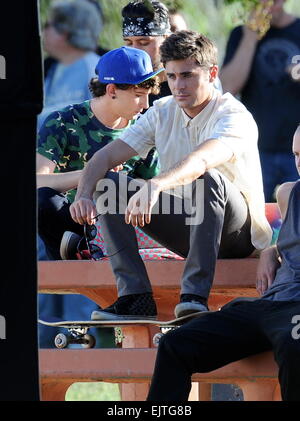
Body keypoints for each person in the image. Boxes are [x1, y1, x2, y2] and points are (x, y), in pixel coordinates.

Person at [69, 30, 272, 322]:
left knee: (209, 178)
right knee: (106, 185)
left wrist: (156, 185)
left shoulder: (233, 114)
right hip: (189, 227)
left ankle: (193, 298)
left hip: (237, 235)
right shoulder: (163, 110)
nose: (179, 85)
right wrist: (84, 195)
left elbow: (201, 161)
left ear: (212, 73)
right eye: (172, 76)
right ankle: (134, 298)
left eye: (188, 75)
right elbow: (105, 157)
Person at [146, 124, 300, 401]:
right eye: (297, 155)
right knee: (175, 344)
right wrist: (272, 250)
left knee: (295, 346)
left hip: (296, 313)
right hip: (270, 305)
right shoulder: (290, 193)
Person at [37, 46, 162, 261]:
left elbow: (152, 186)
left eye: (148, 96)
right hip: (73, 225)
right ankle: (82, 250)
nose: (145, 104)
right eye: (139, 95)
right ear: (112, 90)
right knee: (43, 201)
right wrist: (93, 174)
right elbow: (37, 181)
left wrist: (118, 183)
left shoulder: (144, 129)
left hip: (125, 223)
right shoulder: (63, 121)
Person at [220, 0, 300, 202]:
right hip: (255, 150)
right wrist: (250, 37)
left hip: (296, 150)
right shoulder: (241, 34)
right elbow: (227, 88)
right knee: (253, 223)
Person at [122, 0, 222, 107]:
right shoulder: (117, 80)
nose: (135, 50)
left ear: (166, 39)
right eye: (129, 43)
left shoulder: (202, 77)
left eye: (144, 43)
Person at [37, 0, 103, 130]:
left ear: (65, 31)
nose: (43, 32)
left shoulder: (95, 67)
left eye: (48, 25)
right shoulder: (53, 68)